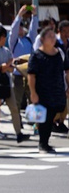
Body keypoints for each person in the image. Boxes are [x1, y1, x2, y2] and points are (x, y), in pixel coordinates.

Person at [27, 26, 69, 154]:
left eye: (53, 36)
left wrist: (67, 88)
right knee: (44, 118)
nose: (53, 39)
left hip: (56, 90)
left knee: (51, 116)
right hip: (42, 91)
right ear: (42, 39)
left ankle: (45, 142)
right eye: (49, 36)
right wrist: (33, 92)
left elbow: (66, 71)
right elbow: (31, 75)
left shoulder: (60, 53)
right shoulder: (36, 55)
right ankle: (43, 143)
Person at [0, 26, 27, 144]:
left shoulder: (6, 51)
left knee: (14, 108)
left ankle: (19, 133)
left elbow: (10, 69)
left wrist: (12, 65)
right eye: (3, 36)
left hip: (6, 82)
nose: (5, 39)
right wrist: (6, 65)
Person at [9, 5, 38, 111]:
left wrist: (34, 15)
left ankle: (34, 122)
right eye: (19, 27)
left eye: (22, 26)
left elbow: (33, 29)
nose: (20, 28)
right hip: (17, 74)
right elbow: (13, 30)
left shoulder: (29, 40)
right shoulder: (14, 42)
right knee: (17, 100)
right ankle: (18, 121)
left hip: (30, 73)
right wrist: (19, 15)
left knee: (32, 99)